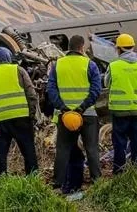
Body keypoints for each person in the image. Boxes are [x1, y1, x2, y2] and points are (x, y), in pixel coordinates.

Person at [47, 35, 102, 190]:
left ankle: (58, 183)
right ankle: (97, 182)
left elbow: (50, 89)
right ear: (81, 47)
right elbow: (96, 90)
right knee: (91, 149)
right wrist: (82, 107)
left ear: (69, 47)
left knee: (63, 150)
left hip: (65, 116)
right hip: (87, 114)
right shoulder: (90, 64)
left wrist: (63, 107)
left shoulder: (58, 65)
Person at [0, 47, 38, 176]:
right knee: (28, 149)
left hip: (1, 119)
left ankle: (2, 176)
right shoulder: (18, 70)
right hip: (22, 117)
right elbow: (31, 94)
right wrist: (32, 114)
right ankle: (32, 176)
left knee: (1, 151)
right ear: (9, 57)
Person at [104, 33, 137, 174]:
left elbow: (106, 83)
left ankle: (119, 173)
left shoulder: (114, 66)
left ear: (118, 49)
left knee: (119, 144)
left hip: (120, 111)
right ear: (133, 47)